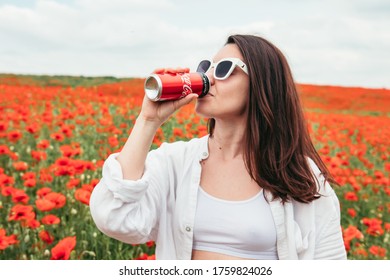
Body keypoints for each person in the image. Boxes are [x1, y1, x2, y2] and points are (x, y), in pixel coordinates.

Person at [89, 34, 347, 260]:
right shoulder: (175, 162)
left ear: (262, 83)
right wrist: (148, 120)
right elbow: (114, 218)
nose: (208, 78)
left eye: (224, 69)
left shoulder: (301, 174)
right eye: (206, 67)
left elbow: (329, 262)